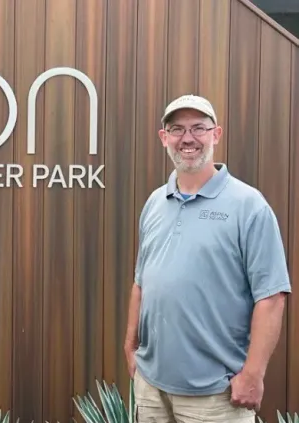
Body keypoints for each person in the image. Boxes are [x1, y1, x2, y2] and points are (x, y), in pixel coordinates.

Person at [123, 94, 292, 422]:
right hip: (151, 387)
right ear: (164, 139)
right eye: (177, 129)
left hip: (216, 394)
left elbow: (272, 297)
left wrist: (253, 376)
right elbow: (142, 282)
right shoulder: (156, 202)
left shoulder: (248, 206)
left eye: (198, 128)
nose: (187, 138)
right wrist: (131, 349)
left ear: (216, 134)